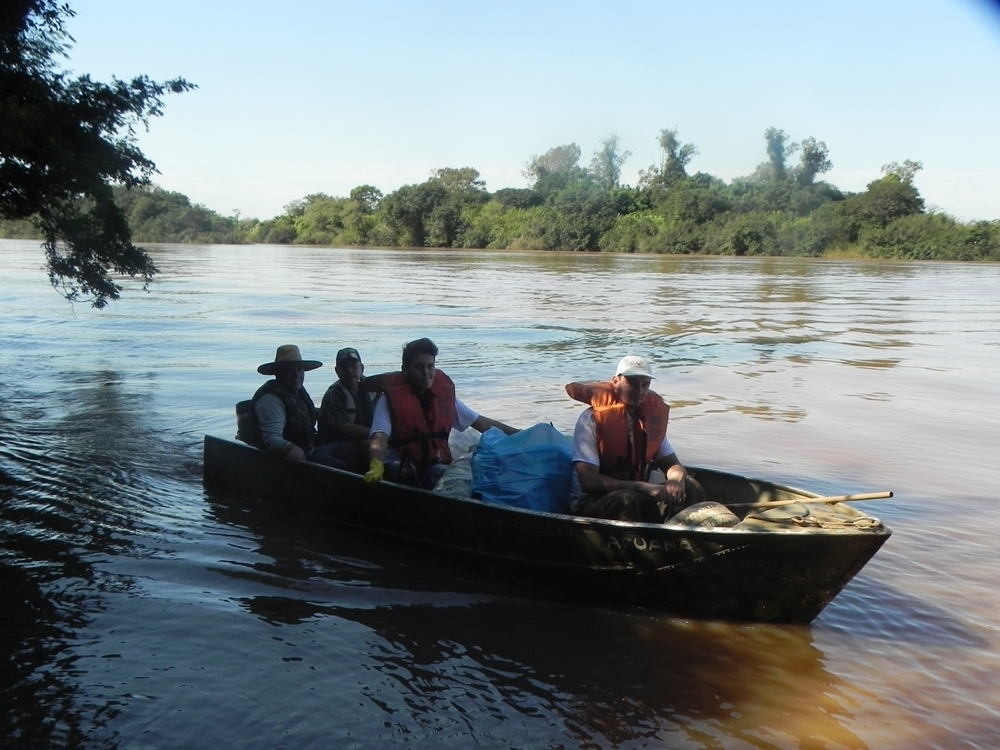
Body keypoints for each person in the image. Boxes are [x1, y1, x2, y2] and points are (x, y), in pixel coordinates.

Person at [363, 338, 518, 489]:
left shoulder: (443, 396)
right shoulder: (389, 400)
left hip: (433, 464)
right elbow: (379, 439)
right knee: (408, 473)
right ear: (405, 369)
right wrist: (376, 465)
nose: (426, 372)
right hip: (399, 463)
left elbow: (481, 423)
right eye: (419, 367)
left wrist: (519, 434)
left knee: (447, 475)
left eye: (430, 366)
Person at [565, 355, 702, 523]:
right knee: (626, 499)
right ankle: (638, 546)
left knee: (691, 486)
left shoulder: (648, 421)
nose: (639, 391)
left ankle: (681, 538)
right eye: (633, 383)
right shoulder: (591, 420)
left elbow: (673, 464)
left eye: (645, 385)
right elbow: (588, 482)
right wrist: (642, 487)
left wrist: (676, 480)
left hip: (636, 494)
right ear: (615, 381)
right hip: (588, 502)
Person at [251, 344, 348, 470]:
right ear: (278, 373)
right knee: (341, 467)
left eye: (299, 370)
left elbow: (304, 412)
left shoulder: (295, 391)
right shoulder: (271, 400)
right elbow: (271, 438)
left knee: (349, 450)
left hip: (310, 449)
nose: (297, 375)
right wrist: (291, 448)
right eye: (290, 370)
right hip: (291, 460)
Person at [316, 347, 373, 472]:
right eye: (345, 367)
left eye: (353, 365)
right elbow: (347, 429)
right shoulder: (334, 394)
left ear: (362, 368)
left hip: (366, 438)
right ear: (337, 371)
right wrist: (379, 434)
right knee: (371, 446)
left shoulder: (372, 387)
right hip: (337, 444)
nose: (350, 370)